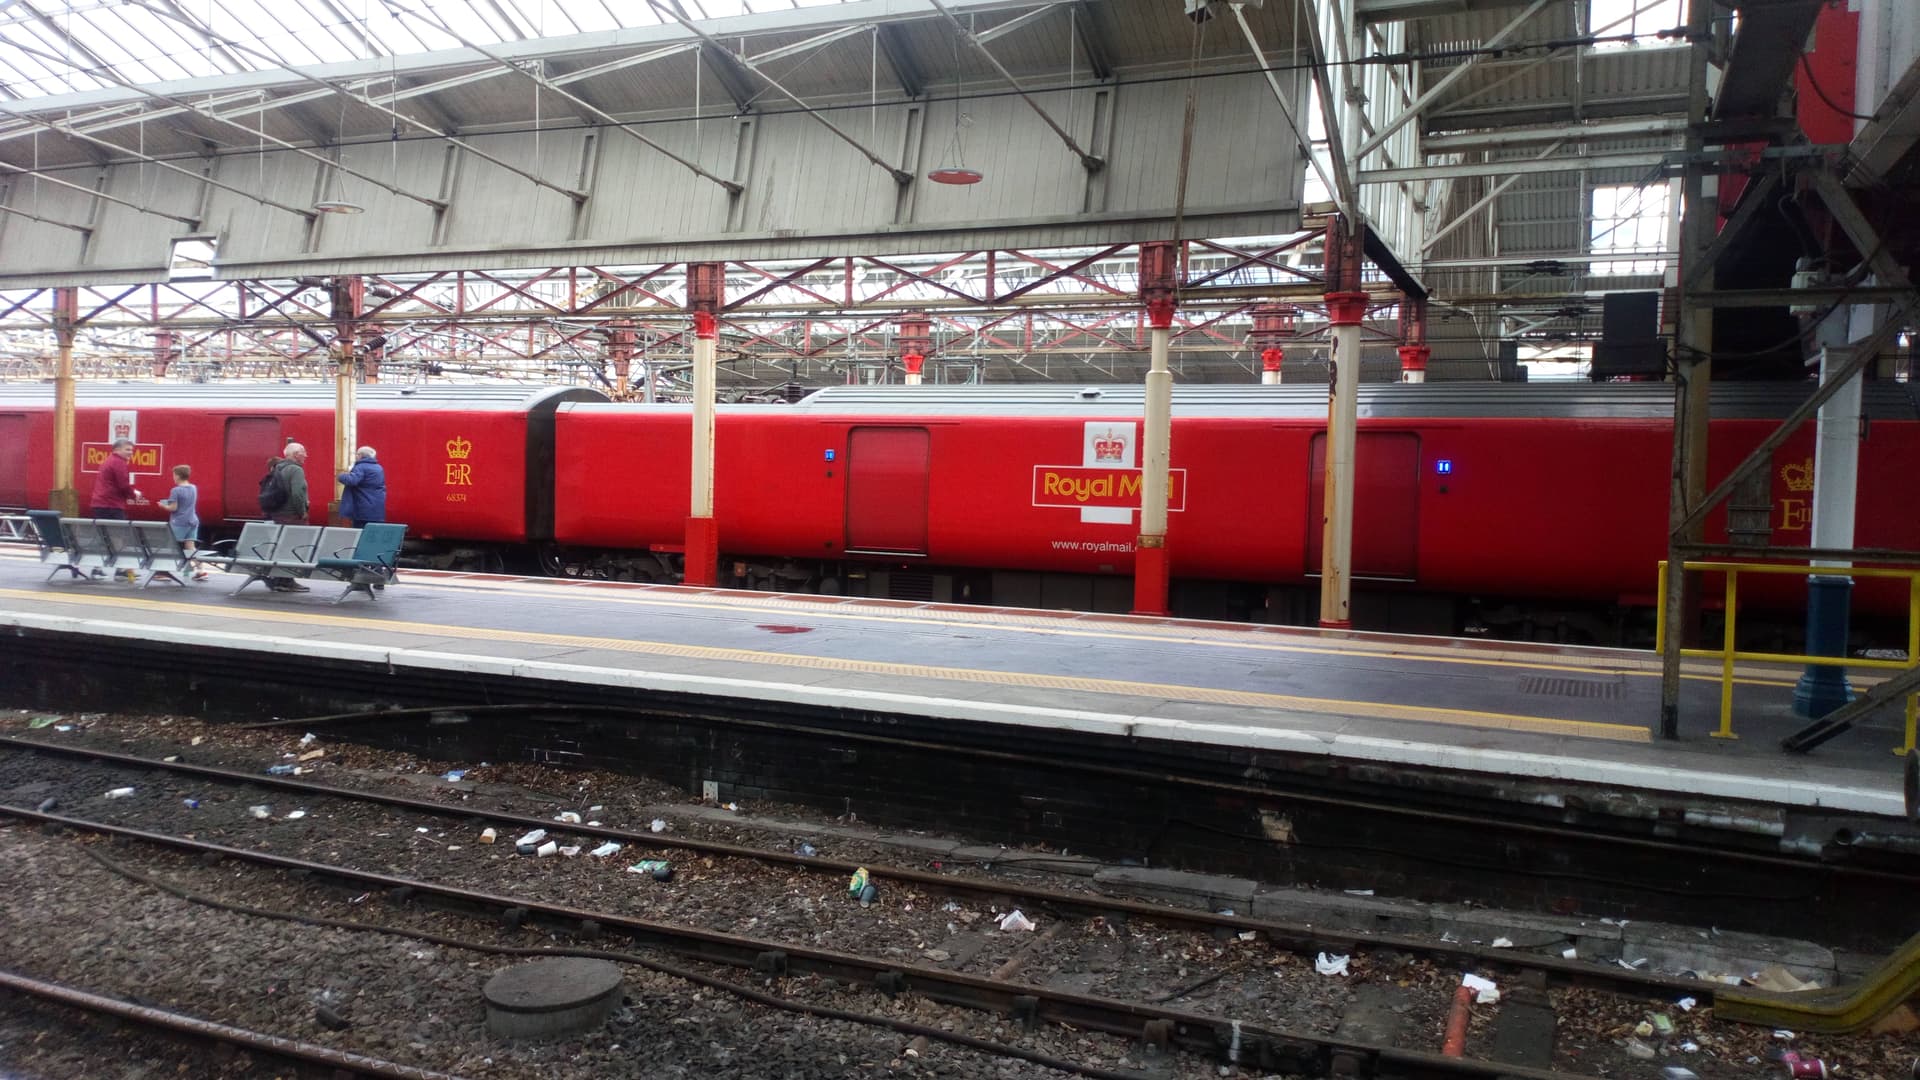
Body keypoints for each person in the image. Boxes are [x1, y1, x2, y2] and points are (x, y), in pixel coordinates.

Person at [263, 442, 311, 592]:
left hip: (278, 514)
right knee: (293, 548)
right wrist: (302, 511)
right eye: (303, 452)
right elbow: (297, 493)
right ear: (296, 454)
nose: (306, 455)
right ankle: (286, 580)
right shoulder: (296, 470)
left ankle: (279, 579)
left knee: (283, 547)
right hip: (292, 517)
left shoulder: (279, 467)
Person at [158, 464, 210, 581]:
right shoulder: (193, 488)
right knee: (190, 547)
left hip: (179, 522)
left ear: (177, 476)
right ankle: (201, 571)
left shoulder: (175, 490)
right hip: (192, 520)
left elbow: (173, 508)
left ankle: (164, 572)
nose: (173, 477)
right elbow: (185, 503)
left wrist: (163, 506)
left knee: (171, 546)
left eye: (173, 475)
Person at [88, 437, 142, 519]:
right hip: (111, 505)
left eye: (131, 450)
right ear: (116, 450)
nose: (131, 452)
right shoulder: (119, 462)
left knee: (103, 527)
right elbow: (123, 485)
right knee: (119, 527)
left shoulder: (108, 460)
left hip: (100, 504)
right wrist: (134, 495)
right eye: (127, 450)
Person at [336, 446, 387, 529]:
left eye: (356, 454)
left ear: (360, 455)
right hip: (377, 509)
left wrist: (341, 475)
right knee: (373, 533)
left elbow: (352, 480)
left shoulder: (361, 467)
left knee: (360, 533)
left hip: (363, 509)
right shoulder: (379, 468)